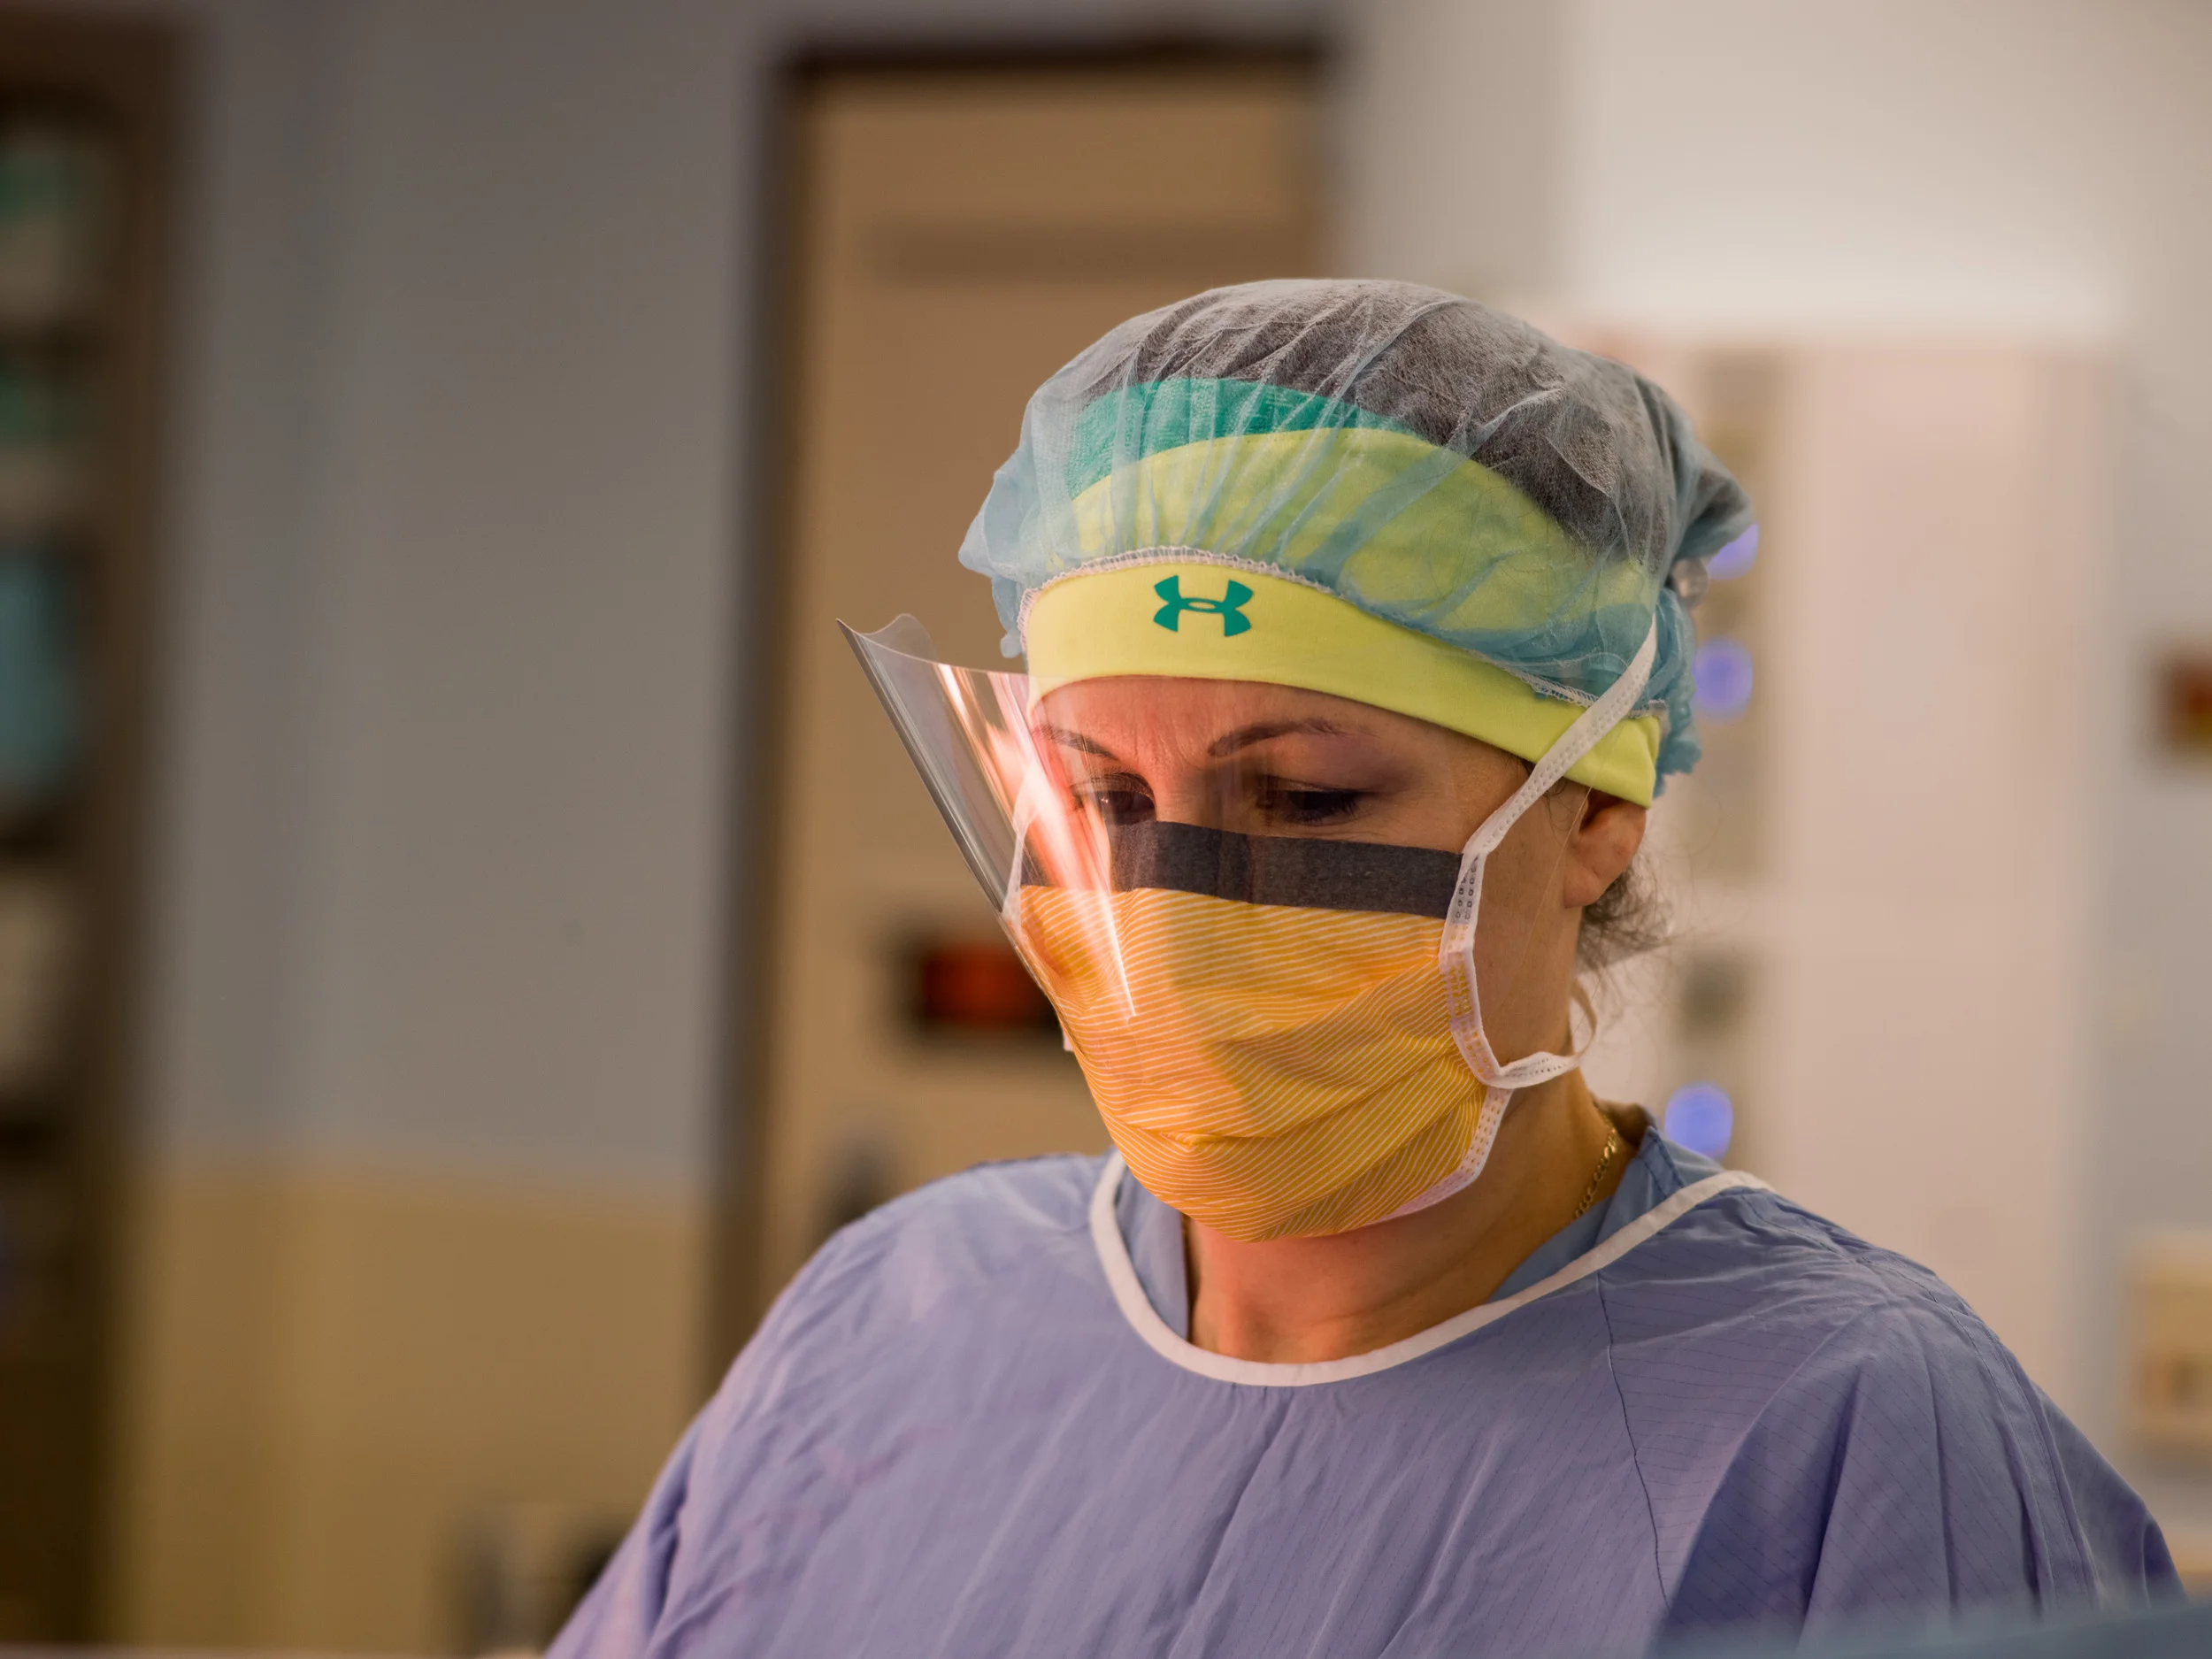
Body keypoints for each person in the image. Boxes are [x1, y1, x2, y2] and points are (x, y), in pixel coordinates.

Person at [551, 281, 2176, 1659]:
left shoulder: (1846, 1433)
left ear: (1596, 808)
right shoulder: (894, 1322)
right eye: (1104, 797)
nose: (1170, 903)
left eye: (1307, 794)